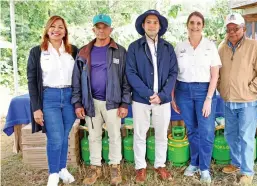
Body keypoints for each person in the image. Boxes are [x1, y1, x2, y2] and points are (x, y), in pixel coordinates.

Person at [71, 14, 131, 185]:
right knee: (94, 136)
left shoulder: (120, 51)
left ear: (111, 29)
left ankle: (115, 167)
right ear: (93, 29)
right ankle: (95, 167)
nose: (102, 30)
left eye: (105, 27)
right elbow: (76, 80)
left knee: (114, 135)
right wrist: (77, 103)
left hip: (113, 102)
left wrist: (124, 102)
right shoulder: (84, 52)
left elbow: (126, 79)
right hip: (91, 102)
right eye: (98, 27)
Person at [125, 9, 178, 184]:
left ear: (160, 26)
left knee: (162, 134)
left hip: (162, 100)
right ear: (143, 25)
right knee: (140, 133)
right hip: (141, 99)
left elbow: (173, 73)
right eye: (149, 22)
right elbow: (130, 73)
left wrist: (162, 96)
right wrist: (149, 94)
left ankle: (159, 164)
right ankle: (140, 167)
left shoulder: (168, 48)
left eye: (155, 22)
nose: (152, 25)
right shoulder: (134, 47)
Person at [217, 13, 257, 185]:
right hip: (228, 101)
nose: (232, 32)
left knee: (246, 137)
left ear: (244, 29)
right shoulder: (221, 48)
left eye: (236, 28)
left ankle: (247, 171)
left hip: (248, 102)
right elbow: (216, 73)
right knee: (231, 135)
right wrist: (221, 87)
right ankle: (236, 163)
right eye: (229, 29)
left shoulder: (255, 46)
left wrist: (251, 90)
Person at [27, 15, 78, 186]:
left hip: (70, 97)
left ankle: (62, 168)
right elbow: (32, 81)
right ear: (47, 29)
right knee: (55, 137)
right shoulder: (37, 52)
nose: (56, 30)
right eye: (53, 26)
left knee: (64, 136)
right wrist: (36, 108)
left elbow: (80, 77)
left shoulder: (73, 51)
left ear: (65, 32)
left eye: (60, 27)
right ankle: (54, 173)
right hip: (49, 98)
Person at [171, 11, 221, 184]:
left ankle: (205, 167)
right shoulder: (180, 47)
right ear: (187, 25)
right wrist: (173, 97)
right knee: (192, 129)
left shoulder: (210, 46)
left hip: (204, 91)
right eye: (192, 22)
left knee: (206, 131)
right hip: (183, 91)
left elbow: (215, 74)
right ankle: (194, 163)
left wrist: (208, 98)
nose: (195, 26)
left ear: (203, 26)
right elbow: (173, 74)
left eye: (198, 23)